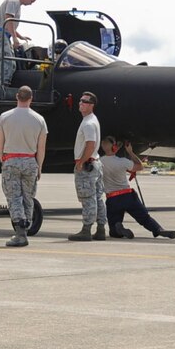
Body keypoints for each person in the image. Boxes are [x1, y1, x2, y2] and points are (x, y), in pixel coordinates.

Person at [0, 85, 48, 247]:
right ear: (31, 98)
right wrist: (40, 166)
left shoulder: (4, 117)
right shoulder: (39, 119)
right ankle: (27, 225)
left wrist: (3, 160)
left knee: (14, 197)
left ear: (17, 97)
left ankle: (20, 231)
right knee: (28, 196)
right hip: (30, 160)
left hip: (10, 160)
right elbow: (41, 147)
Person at [100, 137, 175, 239]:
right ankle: (158, 229)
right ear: (114, 147)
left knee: (113, 231)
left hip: (112, 199)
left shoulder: (99, 162)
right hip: (128, 196)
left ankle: (119, 227)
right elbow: (140, 166)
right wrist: (130, 152)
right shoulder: (123, 162)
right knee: (145, 218)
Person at [68, 91, 104, 241]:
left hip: (88, 164)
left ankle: (86, 230)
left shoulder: (88, 123)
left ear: (92, 105)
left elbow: (91, 144)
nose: (81, 103)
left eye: (85, 101)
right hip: (95, 162)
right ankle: (101, 228)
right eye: (80, 100)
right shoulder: (92, 120)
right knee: (97, 197)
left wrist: (81, 161)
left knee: (87, 198)